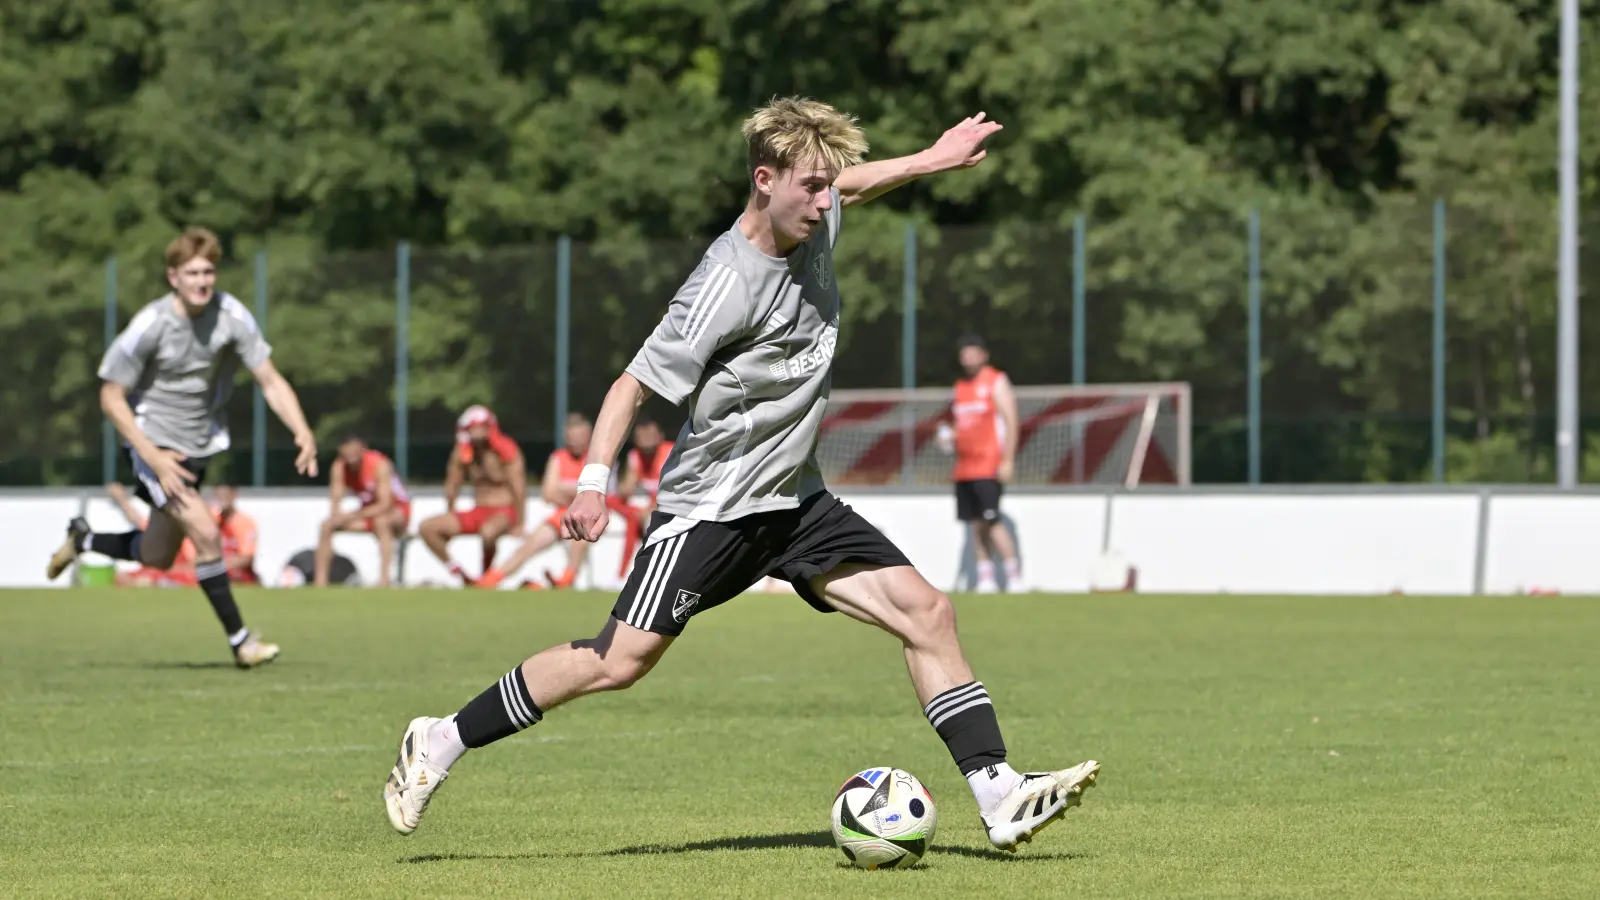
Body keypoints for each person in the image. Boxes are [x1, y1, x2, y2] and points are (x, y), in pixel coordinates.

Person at [382, 99, 1097, 850]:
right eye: (813, 187)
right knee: (617, 661)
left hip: (795, 501)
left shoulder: (816, 215)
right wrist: (594, 482)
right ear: (766, 180)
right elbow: (631, 386)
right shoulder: (722, 284)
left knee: (929, 613)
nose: (828, 201)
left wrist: (931, 159)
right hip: (712, 511)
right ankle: (439, 740)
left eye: (830, 186)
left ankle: (999, 794)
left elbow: (857, 185)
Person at [47, 226, 316, 667]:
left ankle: (83, 539)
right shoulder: (152, 324)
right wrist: (152, 456)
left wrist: (301, 429)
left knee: (158, 554)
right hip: (152, 446)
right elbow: (110, 396)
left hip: (197, 448)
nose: (203, 281)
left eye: (209, 271)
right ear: (173, 277)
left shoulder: (232, 315)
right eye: (192, 272)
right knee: (207, 533)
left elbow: (268, 378)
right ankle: (241, 642)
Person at [476, 412, 597, 589]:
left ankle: (567, 578)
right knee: (530, 544)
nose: (575, 442)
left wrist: (563, 489)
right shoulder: (558, 458)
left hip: (593, 515)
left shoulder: (596, 458)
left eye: (580, 437)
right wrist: (578, 492)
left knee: (580, 535)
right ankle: (492, 579)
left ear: (589, 436)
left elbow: (599, 494)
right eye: (572, 437)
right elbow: (548, 493)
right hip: (563, 515)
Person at [943, 334, 1023, 593]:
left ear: (984, 354)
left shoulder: (995, 381)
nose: (968, 356)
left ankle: (1013, 576)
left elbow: (1011, 421)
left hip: (988, 464)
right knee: (975, 524)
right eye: (964, 351)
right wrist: (948, 436)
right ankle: (985, 578)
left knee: (992, 520)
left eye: (973, 351)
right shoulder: (960, 387)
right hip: (964, 468)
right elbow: (962, 426)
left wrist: (1008, 459)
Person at [416, 406, 526, 584]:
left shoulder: (506, 450)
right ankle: (460, 573)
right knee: (427, 528)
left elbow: (518, 487)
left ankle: (486, 577)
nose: (475, 433)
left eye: (479, 428)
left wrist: (520, 522)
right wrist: (450, 511)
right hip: (477, 510)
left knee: (488, 533)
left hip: (504, 511)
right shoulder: (464, 452)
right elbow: (452, 484)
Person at [316, 435, 411, 587]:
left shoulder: (379, 464)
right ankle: (320, 583)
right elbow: (335, 497)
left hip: (396, 510)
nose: (349, 460)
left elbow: (385, 504)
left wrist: (352, 515)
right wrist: (337, 516)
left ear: (362, 451)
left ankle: (384, 581)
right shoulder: (339, 467)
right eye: (345, 456)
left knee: (382, 522)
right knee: (326, 525)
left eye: (353, 455)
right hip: (367, 512)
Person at [610, 417, 675, 578]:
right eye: (642, 436)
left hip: (673, 506)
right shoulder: (636, 456)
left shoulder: (670, 452)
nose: (646, 439)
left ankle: (622, 574)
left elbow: (673, 491)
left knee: (639, 520)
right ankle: (624, 574)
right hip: (649, 509)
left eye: (650, 435)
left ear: (660, 436)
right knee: (616, 505)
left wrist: (649, 509)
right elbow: (625, 492)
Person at [104, 481, 198, 587]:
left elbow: (192, 565)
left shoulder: (187, 534)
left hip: (172, 573)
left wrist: (122, 499)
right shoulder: (160, 527)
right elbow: (138, 519)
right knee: (122, 577)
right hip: (159, 569)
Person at [212, 484, 261, 585]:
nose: (222, 500)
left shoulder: (245, 523)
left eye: (225, 496)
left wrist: (218, 565)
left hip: (238, 577)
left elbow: (246, 558)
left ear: (234, 495)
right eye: (219, 496)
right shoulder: (211, 521)